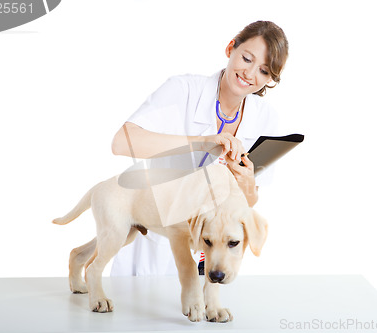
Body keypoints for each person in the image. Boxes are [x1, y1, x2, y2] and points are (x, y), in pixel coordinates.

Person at [110, 20, 289, 276]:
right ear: (231, 48)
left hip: (216, 255)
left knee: (205, 309)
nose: (250, 74)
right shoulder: (183, 90)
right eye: (247, 58)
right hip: (160, 245)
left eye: (263, 71)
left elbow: (248, 202)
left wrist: (247, 181)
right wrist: (201, 142)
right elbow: (121, 142)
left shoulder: (266, 118)